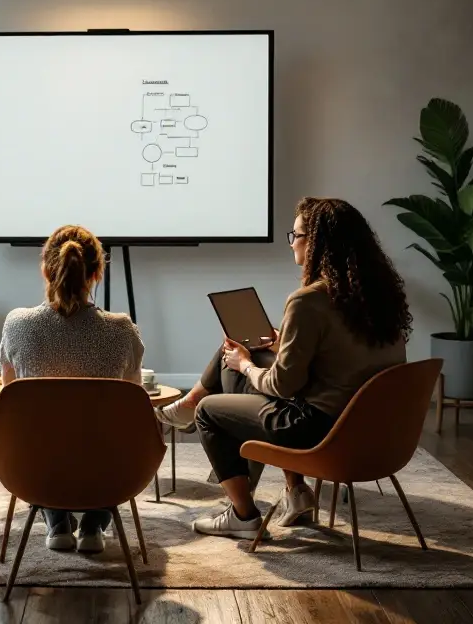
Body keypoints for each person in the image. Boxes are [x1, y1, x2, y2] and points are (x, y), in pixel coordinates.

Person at [158, 197, 411, 539]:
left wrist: (247, 365)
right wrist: (280, 346)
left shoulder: (308, 300)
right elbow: (345, 358)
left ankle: (243, 515)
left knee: (210, 408)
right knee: (236, 356)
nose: (292, 242)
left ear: (318, 242)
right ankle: (296, 492)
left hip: (319, 430)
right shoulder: (378, 298)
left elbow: (283, 386)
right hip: (375, 431)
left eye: (296, 235)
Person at [0, 225, 145, 554]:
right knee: (110, 433)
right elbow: (131, 403)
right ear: (97, 273)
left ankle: (57, 523)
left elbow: (11, 400)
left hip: (36, 469)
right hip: (107, 470)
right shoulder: (122, 329)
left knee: (37, 433)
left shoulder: (17, 323)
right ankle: (94, 525)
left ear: (45, 270)